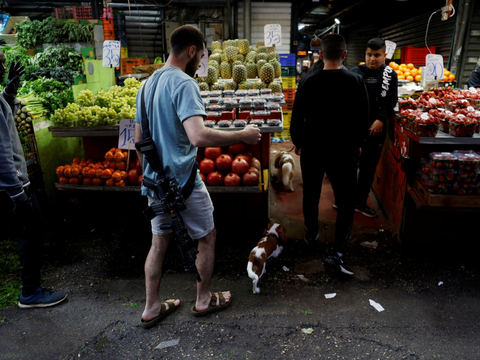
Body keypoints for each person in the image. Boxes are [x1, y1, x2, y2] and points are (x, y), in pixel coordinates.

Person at [134, 25, 261, 329]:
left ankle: (151, 307)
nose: (200, 62)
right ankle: (203, 299)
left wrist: (150, 174)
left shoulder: (146, 85)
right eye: (201, 56)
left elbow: (139, 140)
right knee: (206, 236)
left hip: (155, 183)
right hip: (183, 182)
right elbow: (198, 135)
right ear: (191, 51)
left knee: (158, 241)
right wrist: (242, 133)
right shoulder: (184, 83)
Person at [290, 34, 369, 275]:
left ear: (321, 54)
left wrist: (297, 141)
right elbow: (363, 117)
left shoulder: (308, 80)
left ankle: (312, 235)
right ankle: (338, 252)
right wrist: (358, 143)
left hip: (313, 148)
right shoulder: (356, 80)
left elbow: (296, 116)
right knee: (345, 201)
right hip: (343, 151)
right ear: (344, 54)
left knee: (311, 193)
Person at [0, 50, 67, 308]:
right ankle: (31, 292)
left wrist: (9, 92)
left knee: (26, 233)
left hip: (8, 186)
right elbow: (3, 152)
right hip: (12, 187)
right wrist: (17, 193)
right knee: (31, 234)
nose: (3, 66)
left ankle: (31, 289)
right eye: (0, 63)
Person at [350, 38, 398, 218]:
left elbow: (391, 100)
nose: (372, 59)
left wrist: (381, 118)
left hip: (375, 129)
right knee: (349, 166)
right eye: (369, 54)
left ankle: (360, 202)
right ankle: (344, 199)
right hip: (354, 129)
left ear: (384, 55)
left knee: (368, 167)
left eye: (377, 55)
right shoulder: (355, 73)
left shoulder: (390, 74)